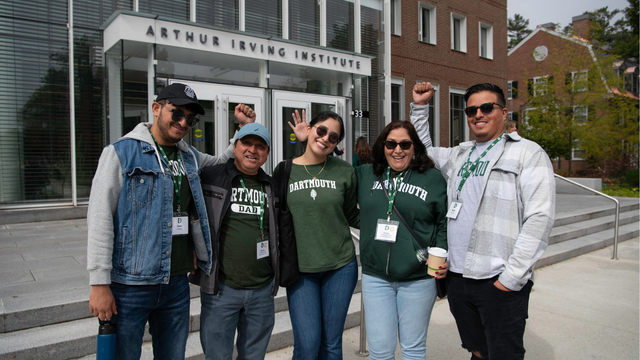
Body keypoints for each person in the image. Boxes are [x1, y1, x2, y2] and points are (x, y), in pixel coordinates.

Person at [86, 83, 256, 359]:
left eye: (190, 119)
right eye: (176, 113)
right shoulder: (121, 153)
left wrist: (243, 129)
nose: (183, 123)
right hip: (131, 284)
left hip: (176, 282)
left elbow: (223, 161)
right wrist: (99, 283)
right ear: (156, 108)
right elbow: (100, 218)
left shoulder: (188, 156)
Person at [410, 82, 556, 360]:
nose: (478, 114)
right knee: (476, 350)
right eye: (471, 109)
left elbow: (540, 217)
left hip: (497, 278)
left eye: (486, 107)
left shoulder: (527, 153)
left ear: (503, 112)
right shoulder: (459, 154)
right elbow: (422, 148)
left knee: (503, 353)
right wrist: (420, 107)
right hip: (458, 277)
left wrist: (511, 278)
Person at [354, 121, 448, 359]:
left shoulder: (432, 179)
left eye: (405, 144)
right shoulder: (366, 174)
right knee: (379, 351)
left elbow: (443, 222)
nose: (398, 150)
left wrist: (442, 253)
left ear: (414, 147)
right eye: (391, 143)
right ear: (382, 146)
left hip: (417, 277)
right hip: (376, 278)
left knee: (413, 349)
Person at [275, 110, 360, 359]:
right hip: (301, 270)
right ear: (310, 129)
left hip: (340, 266)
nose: (325, 139)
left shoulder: (345, 171)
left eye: (333, 137)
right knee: (307, 345)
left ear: (337, 144)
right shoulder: (284, 170)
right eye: (321, 130)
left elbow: (352, 216)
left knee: (331, 344)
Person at [192, 123, 279, 360]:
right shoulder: (211, 176)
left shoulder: (272, 186)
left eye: (260, 146)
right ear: (235, 146)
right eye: (247, 143)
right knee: (217, 355)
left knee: (254, 356)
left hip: (261, 290)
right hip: (222, 289)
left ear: (267, 153)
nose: (253, 150)